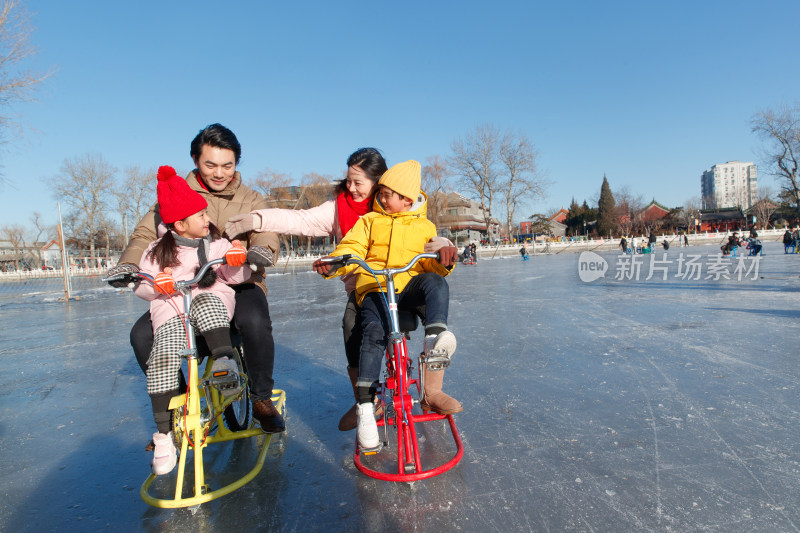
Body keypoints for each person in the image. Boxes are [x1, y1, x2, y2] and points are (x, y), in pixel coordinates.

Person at [224, 148, 454, 432]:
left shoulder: (399, 199)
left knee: (435, 294)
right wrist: (257, 220)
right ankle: (365, 401)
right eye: (348, 180)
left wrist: (443, 246)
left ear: (380, 181)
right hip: (367, 287)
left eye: (358, 182)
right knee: (352, 325)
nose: (351, 188)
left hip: (410, 283)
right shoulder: (342, 208)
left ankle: (433, 387)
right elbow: (301, 220)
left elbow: (426, 230)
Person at [106, 124, 285, 437]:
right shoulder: (175, 196)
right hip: (182, 288)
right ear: (195, 160)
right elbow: (145, 234)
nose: (219, 173)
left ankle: (260, 400)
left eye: (227, 165)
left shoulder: (250, 197)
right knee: (141, 336)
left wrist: (259, 252)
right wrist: (128, 266)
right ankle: (179, 405)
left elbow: (265, 231)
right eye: (210, 164)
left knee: (255, 320)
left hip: (237, 280)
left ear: (236, 164)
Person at [312, 160, 459, 451]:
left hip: (409, 286)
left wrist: (443, 258)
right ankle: (366, 407)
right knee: (373, 332)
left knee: (436, 283)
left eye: (387, 193)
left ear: (406, 199)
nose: (381, 197)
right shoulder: (369, 221)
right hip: (376, 285)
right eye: (380, 192)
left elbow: (429, 257)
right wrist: (336, 263)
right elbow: (352, 247)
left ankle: (434, 340)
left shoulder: (424, 225)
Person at [133, 166, 268, 474]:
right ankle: (165, 434)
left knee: (207, 301)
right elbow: (142, 285)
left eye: (205, 214)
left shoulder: (215, 244)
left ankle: (224, 361)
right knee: (163, 357)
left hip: (210, 304)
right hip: (173, 314)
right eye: (200, 216)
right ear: (179, 223)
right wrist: (157, 283)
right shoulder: (157, 251)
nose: (207, 220)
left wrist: (237, 258)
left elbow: (236, 276)